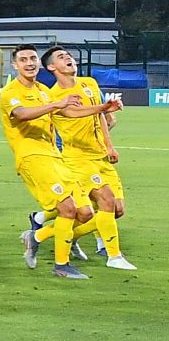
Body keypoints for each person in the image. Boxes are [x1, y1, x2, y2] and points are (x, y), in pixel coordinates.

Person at [1, 45, 121, 279]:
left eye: (32, 58)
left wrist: (103, 108)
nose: (29, 63)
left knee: (84, 212)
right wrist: (57, 104)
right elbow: (22, 114)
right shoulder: (10, 92)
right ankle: (61, 265)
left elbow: (69, 114)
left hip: (55, 155)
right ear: (15, 65)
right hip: (32, 157)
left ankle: (36, 236)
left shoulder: (44, 90)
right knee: (68, 208)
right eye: (23, 59)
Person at [42, 46, 135, 269]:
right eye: (61, 57)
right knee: (105, 201)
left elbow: (102, 117)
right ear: (51, 67)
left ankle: (46, 234)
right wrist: (103, 107)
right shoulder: (54, 96)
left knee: (117, 210)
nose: (69, 59)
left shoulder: (89, 83)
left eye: (69, 56)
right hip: (77, 158)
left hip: (100, 155)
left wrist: (109, 146)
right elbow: (75, 112)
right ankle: (114, 256)